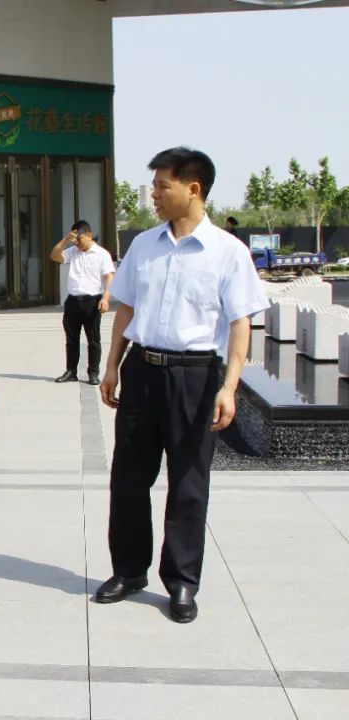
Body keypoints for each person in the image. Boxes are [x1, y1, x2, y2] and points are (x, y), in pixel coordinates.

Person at [96, 147, 268, 623]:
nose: (153, 194)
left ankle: (182, 581)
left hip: (196, 376)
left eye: (161, 185)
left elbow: (240, 323)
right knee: (128, 478)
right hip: (142, 371)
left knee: (189, 483)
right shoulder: (144, 245)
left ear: (193, 189)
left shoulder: (228, 253)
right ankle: (129, 571)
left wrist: (229, 387)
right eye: (153, 186)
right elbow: (127, 309)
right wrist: (112, 366)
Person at [49, 220, 115, 385]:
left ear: (89, 235)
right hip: (73, 301)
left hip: (92, 301)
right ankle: (71, 371)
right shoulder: (72, 252)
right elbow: (54, 256)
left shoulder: (102, 254)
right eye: (74, 240)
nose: (76, 243)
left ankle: (93, 373)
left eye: (79, 239)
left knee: (93, 339)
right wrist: (66, 240)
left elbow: (109, 276)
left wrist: (105, 298)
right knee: (71, 339)